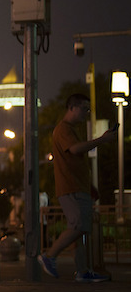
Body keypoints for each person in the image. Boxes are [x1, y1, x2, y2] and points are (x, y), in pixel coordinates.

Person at [37, 93, 118, 282]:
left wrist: (88, 186)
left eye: (87, 110)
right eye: (84, 109)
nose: (86, 113)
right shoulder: (64, 129)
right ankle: (49, 256)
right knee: (79, 226)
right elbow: (74, 149)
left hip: (77, 186)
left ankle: (82, 271)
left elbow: (74, 161)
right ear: (71, 108)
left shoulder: (71, 129)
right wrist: (102, 140)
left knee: (78, 230)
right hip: (71, 187)